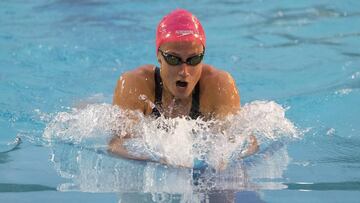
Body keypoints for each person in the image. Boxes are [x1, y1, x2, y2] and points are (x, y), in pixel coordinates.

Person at [108, 9, 258, 167]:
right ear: (159, 57)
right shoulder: (135, 85)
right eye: (173, 59)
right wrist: (158, 158)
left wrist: (224, 157)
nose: (184, 71)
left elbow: (246, 142)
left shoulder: (219, 86)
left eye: (194, 59)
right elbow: (116, 145)